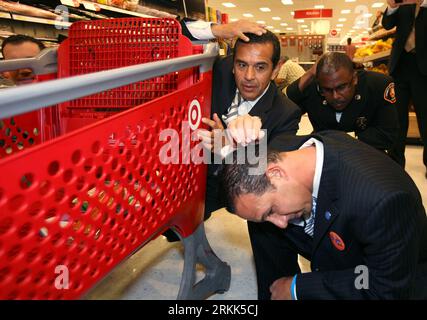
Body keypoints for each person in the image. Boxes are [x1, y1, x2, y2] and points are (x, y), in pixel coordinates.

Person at [221, 130, 427, 299]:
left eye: (273, 210)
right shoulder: (281, 152)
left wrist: (298, 288)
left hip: (389, 276)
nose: (280, 224)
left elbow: (385, 288)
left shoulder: (383, 201)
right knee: (262, 218)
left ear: (276, 173)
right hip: (335, 244)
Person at [285, 51, 399, 154]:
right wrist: (309, 74)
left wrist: (335, 139)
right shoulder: (313, 87)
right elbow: (283, 110)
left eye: (342, 87)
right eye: (327, 90)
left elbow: (388, 135)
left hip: (366, 155)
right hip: (324, 157)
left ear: (354, 78)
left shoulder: (377, 85)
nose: (335, 96)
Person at [382, 0, 427, 178]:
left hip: (424, 70)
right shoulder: (404, 6)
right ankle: (395, 163)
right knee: (396, 117)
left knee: (425, 117)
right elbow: (387, 24)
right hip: (400, 66)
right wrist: (392, 6)